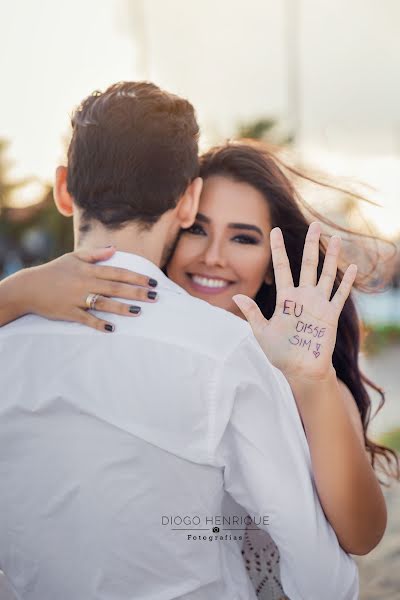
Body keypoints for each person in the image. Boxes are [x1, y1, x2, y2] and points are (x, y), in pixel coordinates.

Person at [0, 81, 361, 600]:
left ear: (63, 189)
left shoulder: (9, 341)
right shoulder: (223, 351)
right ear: (189, 201)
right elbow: (322, 573)